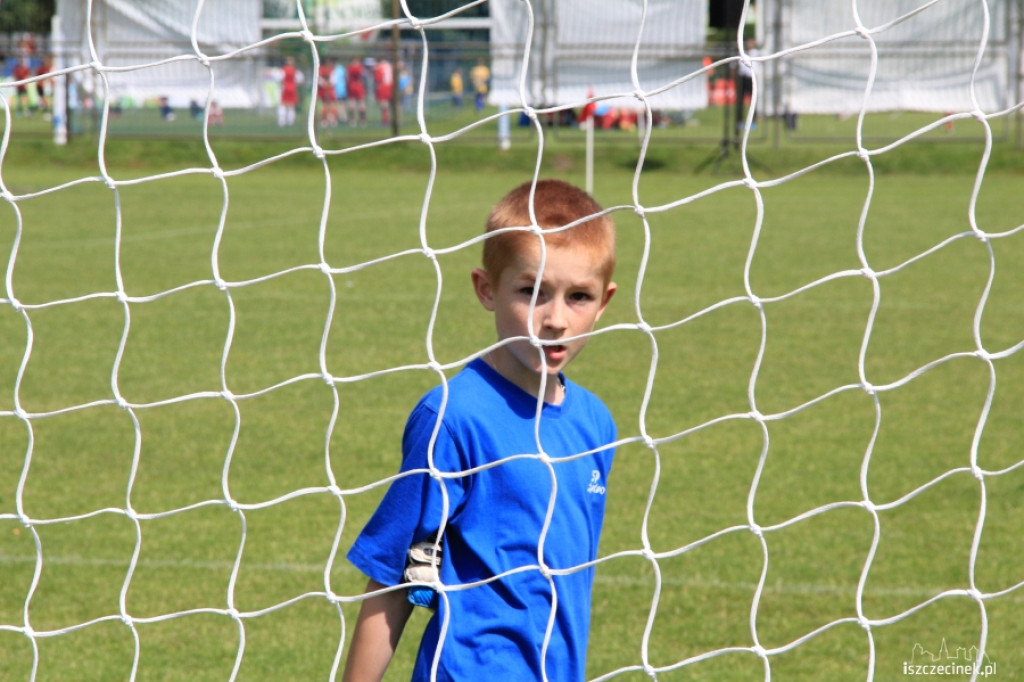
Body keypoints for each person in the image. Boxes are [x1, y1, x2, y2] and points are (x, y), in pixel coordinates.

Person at [343, 179, 619, 682]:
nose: (555, 319)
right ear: (486, 289)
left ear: (604, 302)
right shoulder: (453, 417)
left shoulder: (596, 423)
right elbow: (391, 578)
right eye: (531, 292)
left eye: (578, 296)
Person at [277, 56, 302, 127]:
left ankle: (283, 121)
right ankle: (287, 121)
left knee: (286, 104)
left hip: (286, 87)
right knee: (289, 105)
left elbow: (279, 78)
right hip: (292, 88)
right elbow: (300, 79)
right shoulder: (295, 70)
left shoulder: (284, 70)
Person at [345, 56, 367, 126]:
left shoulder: (349, 68)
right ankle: (362, 120)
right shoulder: (360, 67)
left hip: (352, 86)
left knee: (354, 103)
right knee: (359, 103)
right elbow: (364, 75)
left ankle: (353, 120)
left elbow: (346, 77)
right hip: (358, 85)